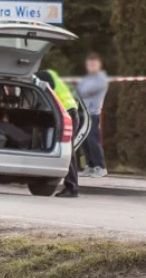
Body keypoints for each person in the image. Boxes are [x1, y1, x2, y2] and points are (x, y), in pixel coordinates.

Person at [37, 69, 80, 198]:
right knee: (69, 151)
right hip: (71, 111)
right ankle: (71, 186)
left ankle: (72, 187)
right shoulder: (52, 73)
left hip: (65, 113)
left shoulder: (42, 75)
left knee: (68, 151)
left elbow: (47, 91)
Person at [76, 53, 108, 178]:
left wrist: (81, 90)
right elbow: (78, 91)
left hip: (93, 114)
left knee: (93, 140)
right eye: (89, 64)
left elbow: (85, 91)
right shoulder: (87, 78)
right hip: (84, 113)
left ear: (99, 65)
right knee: (84, 140)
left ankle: (101, 167)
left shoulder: (101, 78)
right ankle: (90, 165)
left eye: (94, 64)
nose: (91, 66)